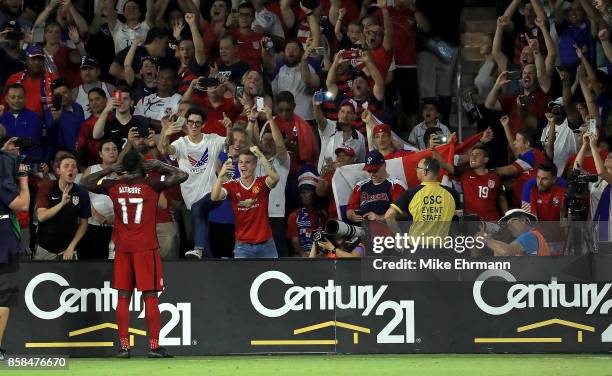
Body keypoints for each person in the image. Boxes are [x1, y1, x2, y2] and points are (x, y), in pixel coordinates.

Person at [80, 149, 188, 358]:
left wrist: (110, 169)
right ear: (143, 167)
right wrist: (159, 165)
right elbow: (183, 175)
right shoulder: (152, 184)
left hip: (122, 248)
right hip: (146, 248)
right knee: (150, 298)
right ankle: (154, 347)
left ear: (124, 167)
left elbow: (85, 182)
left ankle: (123, 347)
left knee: (123, 298)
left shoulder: (113, 185)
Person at [158, 108, 226, 260]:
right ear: (186, 124)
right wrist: (166, 134)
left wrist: (229, 127)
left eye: (197, 123)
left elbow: (230, 142)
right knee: (199, 224)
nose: (194, 126)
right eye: (190, 122)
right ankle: (209, 261)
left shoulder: (212, 140)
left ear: (203, 124)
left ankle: (199, 249)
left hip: (213, 193)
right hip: (190, 197)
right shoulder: (181, 143)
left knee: (198, 208)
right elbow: (166, 149)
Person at [211, 146, 280, 258]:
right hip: (243, 246)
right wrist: (220, 176)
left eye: (247, 162)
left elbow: (275, 178)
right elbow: (214, 197)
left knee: (272, 275)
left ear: (254, 165)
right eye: (240, 162)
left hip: (266, 244)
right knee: (242, 276)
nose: (243, 165)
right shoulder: (232, 185)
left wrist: (260, 155)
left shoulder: (261, 183)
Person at [0, 137, 29, 360]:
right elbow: (22, 204)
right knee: (2, 298)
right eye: (13, 145)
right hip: (3, 240)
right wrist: (24, 179)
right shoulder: (3, 171)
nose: (16, 151)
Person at [385, 157, 460, 242]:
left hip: (416, 248)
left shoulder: (411, 193)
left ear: (425, 172)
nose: (416, 170)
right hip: (443, 248)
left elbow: (389, 215)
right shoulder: (452, 193)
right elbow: (457, 222)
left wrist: (399, 238)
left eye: (418, 168)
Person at [35, 153, 90, 260]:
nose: (71, 169)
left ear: (77, 171)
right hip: (45, 248)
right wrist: (62, 203)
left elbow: (84, 224)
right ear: (58, 170)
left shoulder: (82, 193)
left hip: (67, 249)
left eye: (73, 166)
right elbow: (41, 217)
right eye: (66, 166)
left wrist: (71, 247)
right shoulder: (47, 187)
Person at [79, 140, 118, 259]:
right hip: (93, 224)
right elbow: (82, 193)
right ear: (100, 154)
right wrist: (94, 213)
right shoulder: (92, 170)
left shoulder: (123, 172)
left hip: (117, 226)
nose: (112, 152)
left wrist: (114, 219)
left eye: (115, 149)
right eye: (107, 149)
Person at [496, 116, 547, 208]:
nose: (514, 143)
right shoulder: (531, 155)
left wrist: (486, 172)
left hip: (528, 208)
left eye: (517, 140)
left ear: (527, 144)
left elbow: (507, 171)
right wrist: (506, 126)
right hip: (526, 205)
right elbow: (514, 148)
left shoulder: (530, 156)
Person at [346, 150, 406, 224]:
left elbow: (404, 214)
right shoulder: (360, 186)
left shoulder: (396, 185)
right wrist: (352, 216)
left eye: (375, 171)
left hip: (388, 230)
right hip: (364, 230)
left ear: (384, 165)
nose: (372, 174)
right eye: (369, 171)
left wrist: (379, 218)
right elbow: (350, 210)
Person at [2, 45, 58, 117]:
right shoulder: (14, 79)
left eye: (40, 59)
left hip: (46, 124)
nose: (36, 62)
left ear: (44, 61)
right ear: (26, 60)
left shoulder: (54, 80)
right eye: (33, 58)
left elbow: (59, 108)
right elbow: (4, 105)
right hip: (18, 124)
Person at [314, 98, 366, 173]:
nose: (345, 115)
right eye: (342, 111)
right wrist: (316, 107)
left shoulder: (360, 137)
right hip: (325, 178)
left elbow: (361, 164)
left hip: (347, 180)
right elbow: (319, 119)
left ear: (354, 116)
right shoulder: (329, 126)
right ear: (338, 114)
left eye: (349, 112)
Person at [92, 86, 147, 152]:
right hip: (113, 161)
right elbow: (96, 135)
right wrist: (106, 109)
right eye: (119, 99)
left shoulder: (140, 121)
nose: (121, 102)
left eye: (125, 99)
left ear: (131, 102)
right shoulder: (107, 122)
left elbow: (144, 150)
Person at [476, 208, 550, 256]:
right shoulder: (528, 238)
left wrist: (484, 238)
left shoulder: (530, 235)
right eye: (506, 225)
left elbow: (506, 251)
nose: (508, 227)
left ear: (523, 220)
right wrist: (495, 237)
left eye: (511, 222)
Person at [0, 83, 44, 162]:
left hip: (29, 160)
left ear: (25, 99)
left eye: (20, 97)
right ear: (6, 99)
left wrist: (5, 142)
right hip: (5, 161)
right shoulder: (1, 118)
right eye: (12, 97)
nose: (16, 100)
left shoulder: (34, 117)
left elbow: (30, 141)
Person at [287, 170, 327, 257]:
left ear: (315, 193)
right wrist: (305, 256)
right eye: (302, 192)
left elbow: (326, 239)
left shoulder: (323, 215)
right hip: (303, 257)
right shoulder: (294, 216)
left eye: (308, 191)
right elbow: (295, 243)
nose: (305, 195)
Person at [44, 78, 85, 156]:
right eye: (58, 94)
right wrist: (55, 119)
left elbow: (82, 129)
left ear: (70, 91)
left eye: (64, 92)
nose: (62, 96)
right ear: (53, 96)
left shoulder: (78, 107)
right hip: (61, 156)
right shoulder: (50, 111)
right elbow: (49, 130)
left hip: (80, 153)